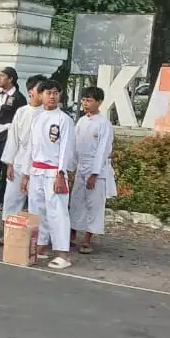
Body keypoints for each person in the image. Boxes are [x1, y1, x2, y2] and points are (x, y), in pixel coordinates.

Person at [23, 81, 76, 268]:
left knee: (57, 212)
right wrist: (26, 174)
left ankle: (63, 254)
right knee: (37, 211)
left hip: (54, 171)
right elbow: (31, 148)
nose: (52, 96)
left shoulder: (64, 119)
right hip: (36, 170)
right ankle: (41, 246)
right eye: (48, 93)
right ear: (40, 95)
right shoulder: (37, 118)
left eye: (55, 93)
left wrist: (61, 173)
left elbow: (66, 149)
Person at [0, 77, 44, 243]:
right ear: (31, 92)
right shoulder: (22, 112)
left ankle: (38, 239)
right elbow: (13, 139)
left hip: (38, 163)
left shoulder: (46, 114)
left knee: (37, 202)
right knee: (11, 199)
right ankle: (8, 235)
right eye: (40, 90)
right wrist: (10, 163)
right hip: (19, 160)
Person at [69, 85, 116, 255]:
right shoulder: (81, 122)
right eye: (83, 100)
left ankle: (87, 239)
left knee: (94, 205)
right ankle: (72, 234)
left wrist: (94, 174)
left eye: (89, 100)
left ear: (99, 102)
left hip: (97, 169)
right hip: (81, 166)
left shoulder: (104, 124)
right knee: (76, 202)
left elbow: (103, 150)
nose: (85, 103)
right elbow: (74, 146)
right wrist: (70, 167)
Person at [0, 66, 26, 206]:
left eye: (2, 76)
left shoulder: (18, 98)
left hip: (8, 133)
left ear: (10, 79)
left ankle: (3, 197)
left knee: (6, 165)